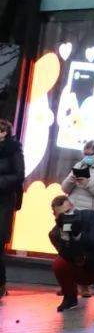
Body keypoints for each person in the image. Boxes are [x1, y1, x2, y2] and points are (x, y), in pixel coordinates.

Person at [48, 193, 94, 313]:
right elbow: (68, 258)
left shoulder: (89, 216)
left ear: (73, 207)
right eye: (62, 215)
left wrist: (77, 235)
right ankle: (70, 298)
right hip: (81, 269)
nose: (67, 217)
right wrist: (67, 239)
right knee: (59, 263)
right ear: (55, 216)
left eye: (68, 212)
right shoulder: (55, 234)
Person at [62, 139, 94, 226]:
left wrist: (88, 183)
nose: (86, 157)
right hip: (71, 214)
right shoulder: (80, 165)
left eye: (90, 154)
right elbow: (64, 189)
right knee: (66, 234)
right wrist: (71, 180)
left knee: (86, 235)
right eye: (85, 154)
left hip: (90, 218)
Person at [0, 118, 25, 300]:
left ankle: (1, 284)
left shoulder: (14, 149)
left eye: (2, 130)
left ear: (6, 133)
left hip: (4, 201)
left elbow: (18, 175)